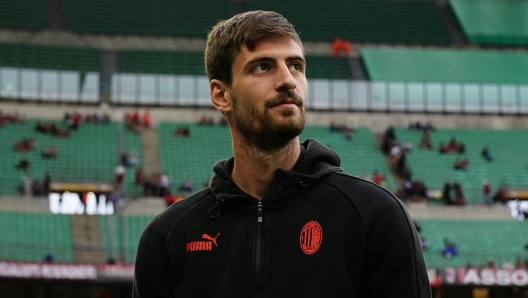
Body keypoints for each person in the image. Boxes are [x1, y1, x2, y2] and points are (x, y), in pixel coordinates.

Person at [133, 10, 430, 298]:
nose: (288, 80)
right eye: (262, 66)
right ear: (221, 95)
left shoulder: (375, 217)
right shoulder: (169, 237)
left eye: (296, 66)